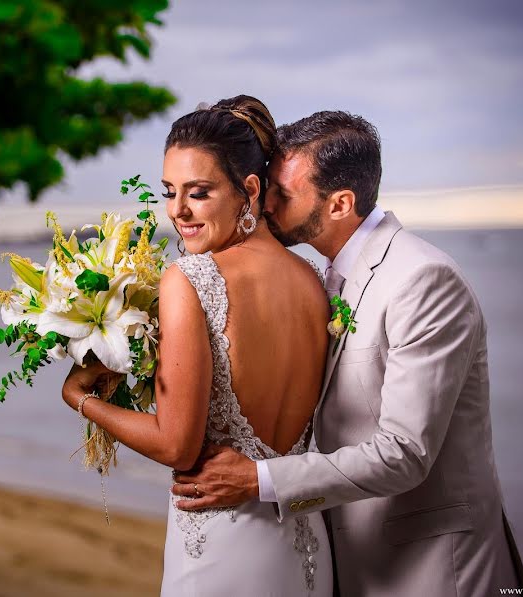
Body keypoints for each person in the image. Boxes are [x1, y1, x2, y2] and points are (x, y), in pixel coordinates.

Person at [171, 111, 523, 596]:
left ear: (339, 204)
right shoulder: (319, 280)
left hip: (431, 568)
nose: (265, 204)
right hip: (340, 554)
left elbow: (405, 453)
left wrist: (259, 478)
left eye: (283, 194)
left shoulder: (422, 280)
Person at [61, 96, 334, 597]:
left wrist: (83, 400)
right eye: (169, 192)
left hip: (222, 545)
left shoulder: (189, 278)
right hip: (303, 545)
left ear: (249, 190)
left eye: (199, 193)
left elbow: (177, 446)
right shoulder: (314, 281)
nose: (177, 211)